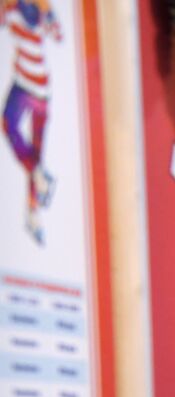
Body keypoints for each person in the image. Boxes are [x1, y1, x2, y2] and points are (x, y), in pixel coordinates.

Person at [2, 0, 60, 245]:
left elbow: (58, 34)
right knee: (8, 124)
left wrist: (46, 12)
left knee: (36, 151)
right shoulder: (11, 10)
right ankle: (37, 175)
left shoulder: (40, 14)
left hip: (37, 88)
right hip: (21, 82)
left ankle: (33, 212)